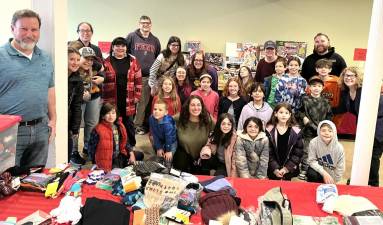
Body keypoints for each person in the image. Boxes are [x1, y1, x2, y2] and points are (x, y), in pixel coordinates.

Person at [0, 9, 56, 168]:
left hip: (41, 129)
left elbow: (50, 90)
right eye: (23, 29)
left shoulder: (44, 57)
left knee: (36, 180)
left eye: (34, 29)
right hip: (9, 133)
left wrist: (54, 119)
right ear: (12, 29)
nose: (29, 34)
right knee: (7, 182)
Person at [102, 37, 142, 149]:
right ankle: (114, 146)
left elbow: (138, 80)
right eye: (117, 45)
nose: (120, 48)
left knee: (128, 123)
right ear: (113, 47)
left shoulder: (133, 61)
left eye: (123, 46)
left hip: (129, 98)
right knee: (112, 122)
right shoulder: (106, 61)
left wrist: (137, 95)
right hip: (111, 99)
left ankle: (130, 146)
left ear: (126, 47)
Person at [126, 15, 161, 135]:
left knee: (142, 103)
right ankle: (127, 124)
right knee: (129, 101)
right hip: (131, 76)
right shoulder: (131, 36)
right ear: (139, 24)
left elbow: (157, 58)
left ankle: (137, 125)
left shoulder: (155, 40)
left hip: (146, 77)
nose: (145, 25)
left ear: (151, 25)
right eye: (143, 23)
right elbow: (125, 52)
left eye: (148, 23)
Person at [88, 103, 144, 172]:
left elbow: (125, 142)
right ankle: (124, 165)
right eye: (108, 113)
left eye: (113, 113)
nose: (111, 116)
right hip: (109, 160)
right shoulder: (97, 130)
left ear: (116, 114)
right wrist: (95, 163)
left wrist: (131, 154)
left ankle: (126, 163)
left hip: (120, 154)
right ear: (102, 116)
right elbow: (91, 148)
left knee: (140, 155)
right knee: (117, 174)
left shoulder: (119, 126)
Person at [296, 76, 333, 180]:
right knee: (306, 151)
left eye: (319, 86)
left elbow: (329, 116)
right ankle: (304, 170)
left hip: (321, 132)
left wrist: (326, 128)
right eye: (314, 86)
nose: (316, 88)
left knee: (319, 152)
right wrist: (303, 117)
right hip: (307, 131)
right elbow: (298, 111)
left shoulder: (326, 102)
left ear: (322, 88)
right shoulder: (304, 99)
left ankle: (316, 171)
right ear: (309, 87)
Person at [73, 47, 104, 164]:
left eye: (91, 59)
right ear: (78, 57)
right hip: (77, 100)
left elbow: (103, 70)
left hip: (94, 97)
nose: (89, 62)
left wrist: (102, 76)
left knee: (92, 123)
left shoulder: (95, 65)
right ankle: (73, 152)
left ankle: (88, 147)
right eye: (86, 58)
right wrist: (79, 95)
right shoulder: (73, 68)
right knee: (75, 125)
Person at [173, 95, 215, 173]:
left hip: (202, 155)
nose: (196, 108)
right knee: (180, 161)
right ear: (187, 107)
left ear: (202, 107)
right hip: (184, 154)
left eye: (198, 105)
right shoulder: (179, 118)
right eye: (192, 105)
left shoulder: (208, 119)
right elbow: (165, 121)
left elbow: (220, 128)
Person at [266, 103, 303, 180]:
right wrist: (275, 169)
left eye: (286, 113)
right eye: (281, 112)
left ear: (290, 115)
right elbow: (268, 152)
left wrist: (286, 169)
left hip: (290, 170)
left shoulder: (296, 131)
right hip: (273, 170)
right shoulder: (269, 130)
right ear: (275, 114)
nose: (284, 115)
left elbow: (297, 153)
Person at [149, 100, 177, 169]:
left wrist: (168, 151)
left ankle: (169, 169)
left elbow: (169, 137)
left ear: (166, 112)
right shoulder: (151, 118)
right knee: (159, 156)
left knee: (168, 159)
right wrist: (159, 148)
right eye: (155, 109)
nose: (156, 111)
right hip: (161, 139)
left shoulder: (167, 124)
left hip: (171, 141)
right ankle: (160, 167)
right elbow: (154, 134)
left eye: (160, 110)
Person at [68, 47, 84, 162]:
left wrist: (75, 129)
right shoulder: (55, 77)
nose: (76, 63)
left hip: (67, 121)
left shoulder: (78, 81)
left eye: (78, 60)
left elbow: (76, 106)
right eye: (72, 59)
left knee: (66, 153)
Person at [368, 81, 383, 186]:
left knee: (374, 157)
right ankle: (373, 183)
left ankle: (373, 183)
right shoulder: (377, 96)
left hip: (378, 131)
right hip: (377, 130)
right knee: (373, 158)